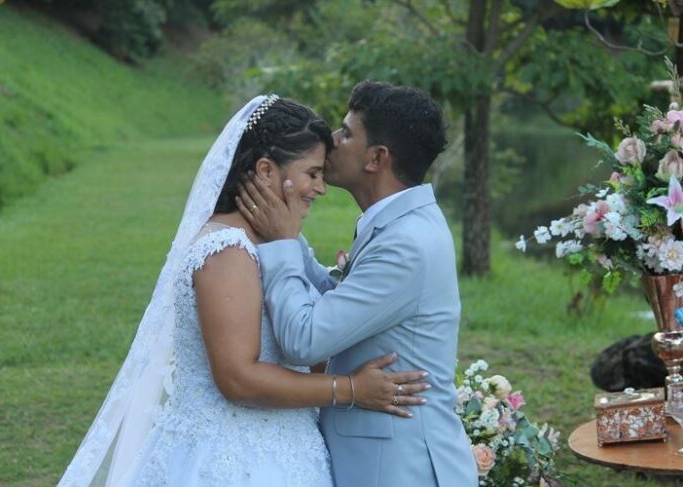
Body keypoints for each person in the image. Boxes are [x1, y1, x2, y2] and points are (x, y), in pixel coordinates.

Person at [57, 95, 430, 487]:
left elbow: (300, 349)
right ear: (266, 170)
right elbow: (237, 379)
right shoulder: (228, 251)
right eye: (312, 173)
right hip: (229, 460)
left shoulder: (278, 244)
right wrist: (351, 389)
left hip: (286, 450)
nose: (321, 188)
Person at [237, 82, 479, 487]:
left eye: (346, 133)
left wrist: (280, 242)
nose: (331, 141)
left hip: (397, 467)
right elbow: (342, 304)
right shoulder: (402, 224)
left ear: (377, 158)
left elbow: (304, 339)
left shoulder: (407, 244)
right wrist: (286, 231)